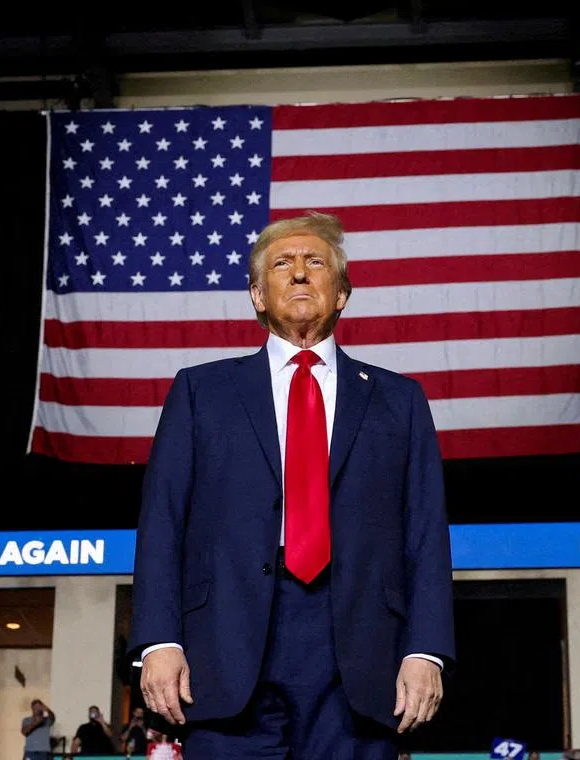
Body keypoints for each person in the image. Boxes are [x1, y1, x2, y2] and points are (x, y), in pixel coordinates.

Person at [128, 211, 456, 759]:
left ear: (343, 294)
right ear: (258, 295)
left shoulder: (400, 401)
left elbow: (425, 533)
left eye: (315, 262)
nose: (299, 273)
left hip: (357, 650)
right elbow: (162, 521)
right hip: (224, 647)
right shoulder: (199, 391)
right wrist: (158, 641)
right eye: (282, 264)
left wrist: (426, 650)